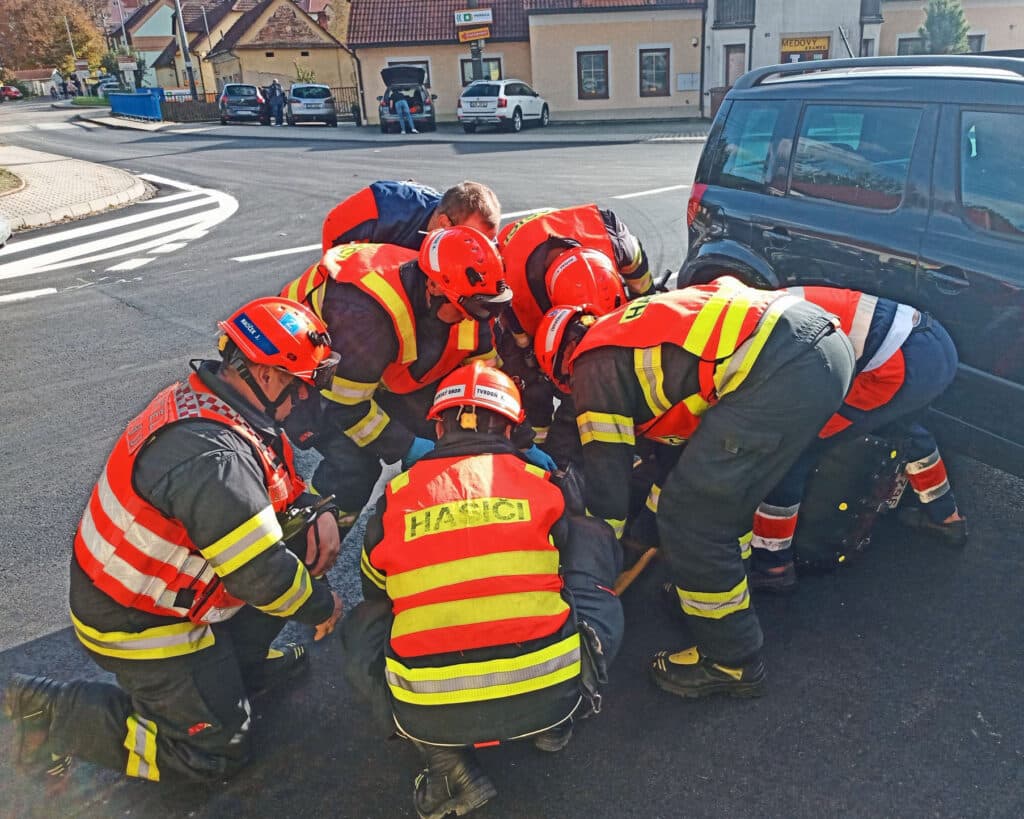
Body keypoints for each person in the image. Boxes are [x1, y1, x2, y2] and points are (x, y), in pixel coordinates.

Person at [2, 297, 345, 783]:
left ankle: (236, 671)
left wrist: (316, 509)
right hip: (138, 621)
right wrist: (322, 606)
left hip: (164, 591)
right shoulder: (216, 460)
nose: (307, 398)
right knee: (216, 752)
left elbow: (273, 484)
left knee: (294, 546)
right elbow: (261, 574)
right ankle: (50, 713)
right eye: (303, 385)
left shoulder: (223, 406)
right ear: (267, 375)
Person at [534, 278, 855, 699]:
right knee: (723, 502)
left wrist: (595, 557)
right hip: (821, 346)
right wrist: (648, 530)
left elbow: (607, 481)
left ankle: (732, 660)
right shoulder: (631, 331)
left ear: (562, 366)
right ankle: (716, 592)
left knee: (692, 519)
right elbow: (677, 460)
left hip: (779, 367)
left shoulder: (591, 366)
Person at [341, 362, 623, 819]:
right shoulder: (542, 486)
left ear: (438, 427)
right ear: (512, 430)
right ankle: (556, 723)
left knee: (364, 622)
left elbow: (378, 593)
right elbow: (566, 560)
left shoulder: (395, 498)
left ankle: (448, 767)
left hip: (429, 711)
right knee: (589, 539)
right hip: (552, 693)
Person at [281, 226, 554, 534]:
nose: (473, 318)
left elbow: (488, 386)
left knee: (448, 431)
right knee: (354, 467)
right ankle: (308, 539)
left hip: (375, 372)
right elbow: (345, 407)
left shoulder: (466, 302)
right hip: (302, 377)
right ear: (433, 287)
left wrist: (521, 442)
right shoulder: (367, 316)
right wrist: (407, 446)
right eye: (468, 309)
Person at [749, 285, 967, 593]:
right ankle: (947, 518)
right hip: (934, 343)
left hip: (898, 363)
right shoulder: (775, 301)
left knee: (796, 449)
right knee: (900, 424)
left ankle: (772, 566)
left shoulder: (765, 330)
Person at [496, 205, 654, 461]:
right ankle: (540, 451)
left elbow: (644, 290)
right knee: (531, 384)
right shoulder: (511, 287)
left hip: (577, 235)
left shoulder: (613, 235)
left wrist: (644, 316)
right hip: (522, 276)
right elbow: (521, 347)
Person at [321, 180, 500, 254]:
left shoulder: (465, 220)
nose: (479, 251)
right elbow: (333, 227)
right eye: (472, 242)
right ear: (444, 223)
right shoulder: (378, 208)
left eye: (487, 242)